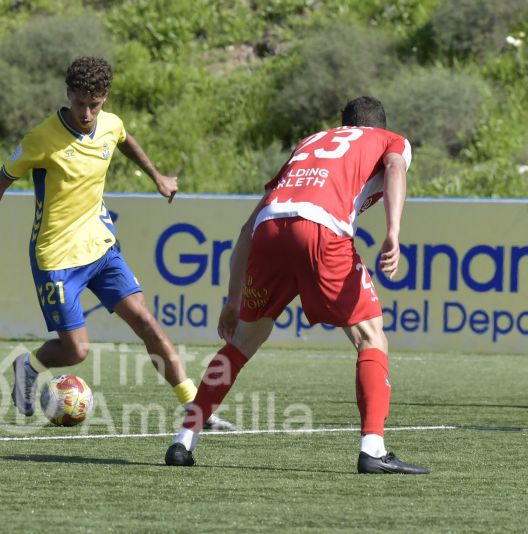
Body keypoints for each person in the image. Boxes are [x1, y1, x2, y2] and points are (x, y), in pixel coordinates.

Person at [0, 56, 234, 431]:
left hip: (102, 249)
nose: (87, 113)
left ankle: (196, 408)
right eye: (80, 103)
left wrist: (156, 176)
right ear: (68, 94)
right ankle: (29, 365)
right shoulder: (41, 139)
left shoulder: (110, 124)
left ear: (105, 98)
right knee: (76, 351)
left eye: (95, 104)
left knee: (148, 323)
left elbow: (124, 139)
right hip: (56, 258)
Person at [165, 96, 430, 474]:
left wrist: (232, 299)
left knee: (241, 341)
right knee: (371, 336)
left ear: (343, 124)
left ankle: (183, 440)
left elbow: (247, 227)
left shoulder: (310, 142)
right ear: (378, 125)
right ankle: (373, 448)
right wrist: (393, 232)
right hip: (321, 229)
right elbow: (394, 167)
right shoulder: (389, 139)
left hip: (268, 230)